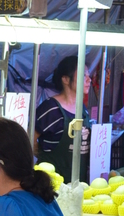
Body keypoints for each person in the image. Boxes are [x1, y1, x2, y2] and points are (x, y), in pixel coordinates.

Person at [35, 55, 91, 183]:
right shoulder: (50, 109)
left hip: (78, 184)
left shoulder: (82, 109)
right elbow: (30, 137)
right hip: (51, 188)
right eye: (83, 75)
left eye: (88, 75)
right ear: (66, 79)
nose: (89, 80)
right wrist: (44, 156)